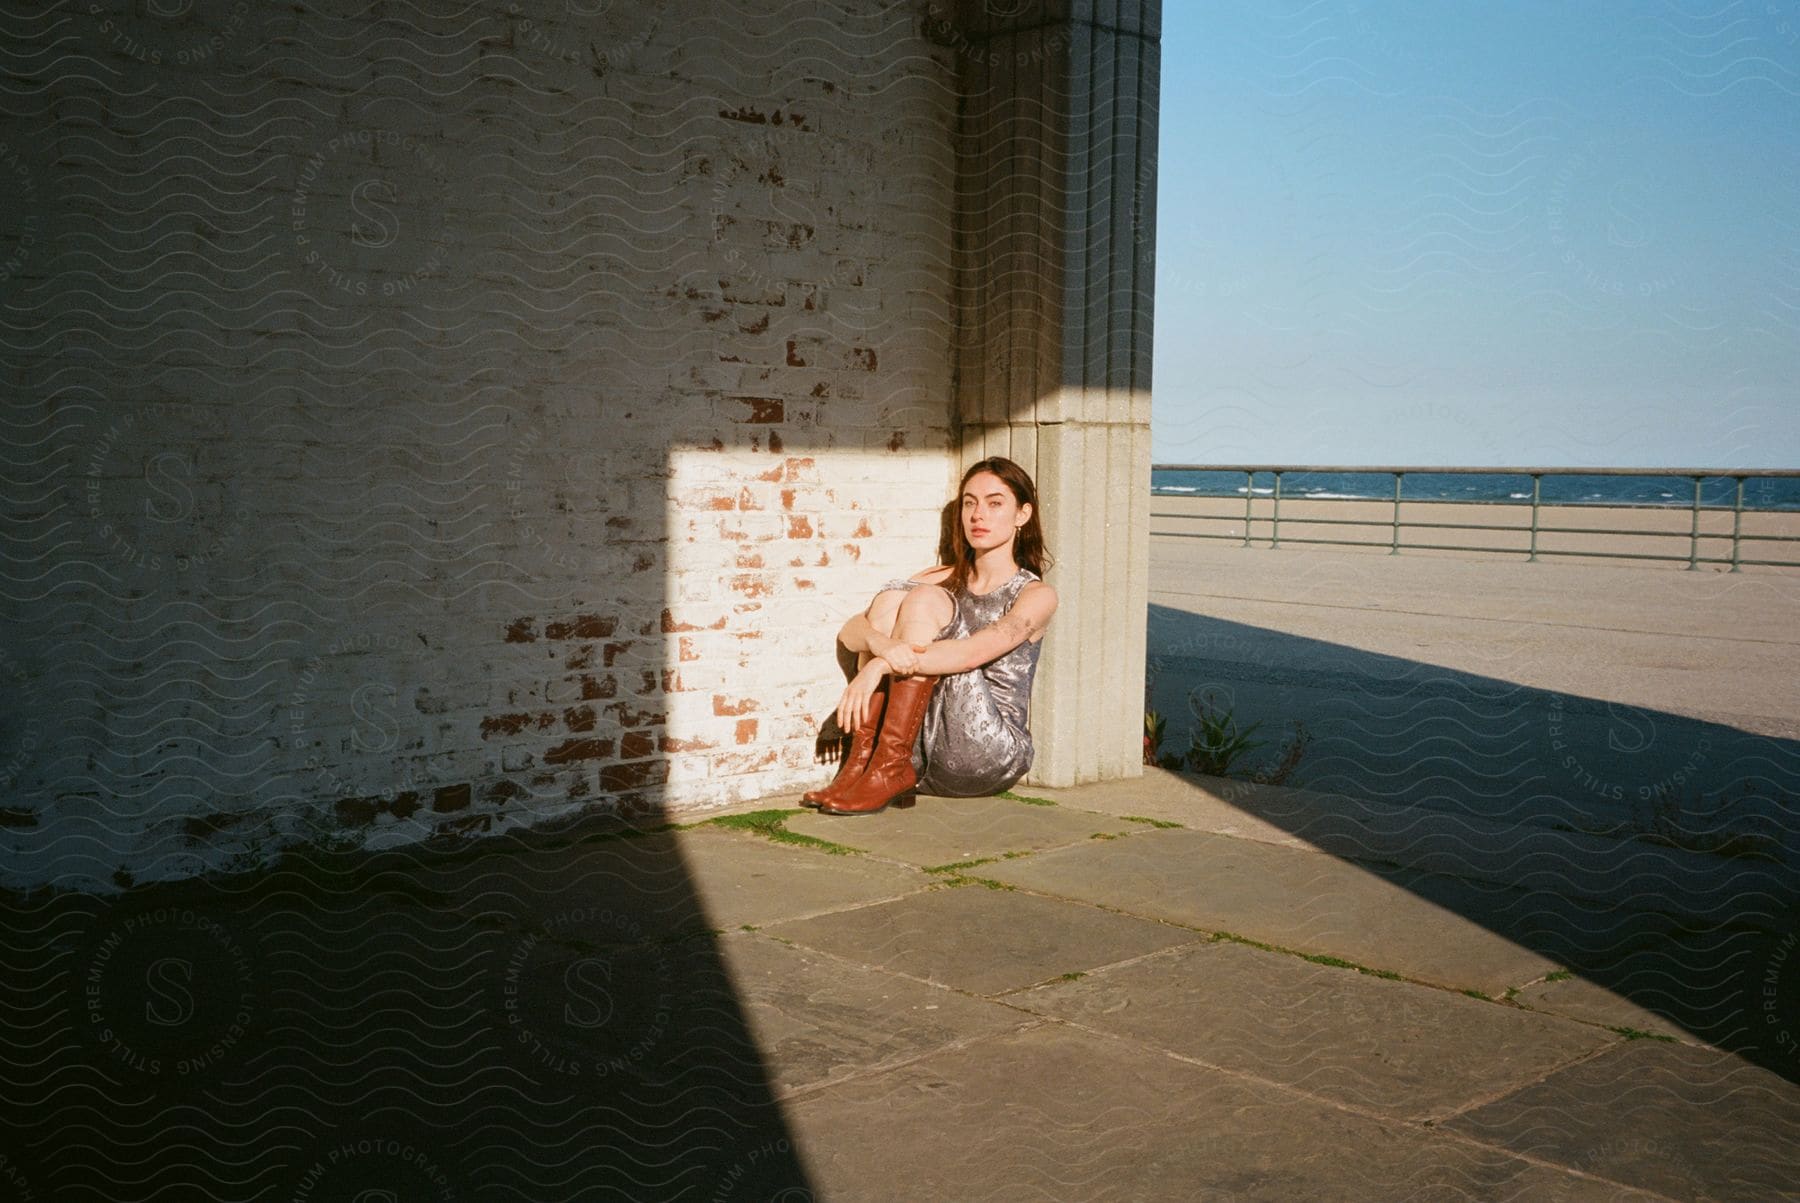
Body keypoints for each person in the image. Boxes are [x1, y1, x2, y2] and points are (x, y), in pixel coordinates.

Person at [801, 457, 1058, 816]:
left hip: (986, 752)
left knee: (923, 599)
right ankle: (865, 764)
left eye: (995, 503)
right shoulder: (940, 575)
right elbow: (852, 631)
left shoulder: (1035, 594)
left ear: (1022, 515)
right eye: (970, 502)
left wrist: (877, 667)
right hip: (924, 752)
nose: (977, 515)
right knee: (893, 598)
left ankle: (887, 767)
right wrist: (882, 645)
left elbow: (970, 653)